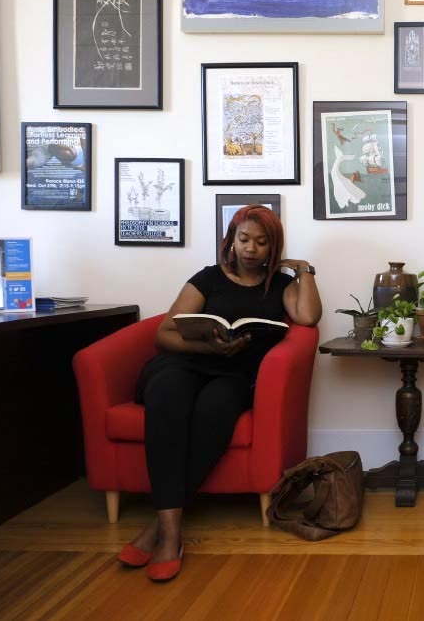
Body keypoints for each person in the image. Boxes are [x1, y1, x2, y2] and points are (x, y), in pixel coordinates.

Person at [118, 205, 322, 582]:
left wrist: (304, 270)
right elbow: (164, 334)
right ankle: (170, 534)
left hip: (234, 375)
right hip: (185, 364)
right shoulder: (208, 278)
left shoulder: (279, 285)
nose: (251, 249)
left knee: (215, 412)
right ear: (231, 239)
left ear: (273, 248)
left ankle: (159, 527)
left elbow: (308, 317)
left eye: (262, 243)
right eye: (244, 239)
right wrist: (207, 348)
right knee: (168, 397)